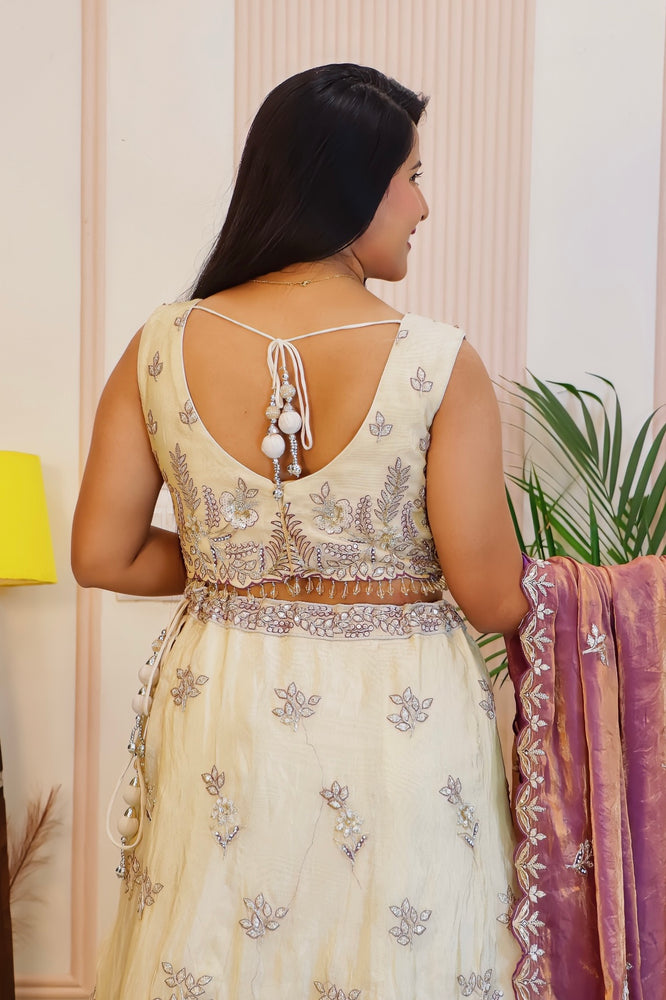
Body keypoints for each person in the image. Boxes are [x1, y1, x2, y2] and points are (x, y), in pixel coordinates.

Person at [72, 63, 528, 1000]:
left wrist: (240, 564)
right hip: (398, 711)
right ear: (353, 186)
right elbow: (492, 596)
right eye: (411, 176)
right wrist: (624, 595)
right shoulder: (437, 362)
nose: (424, 205)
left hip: (221, 700)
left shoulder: (160, 345)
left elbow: (103, 555)